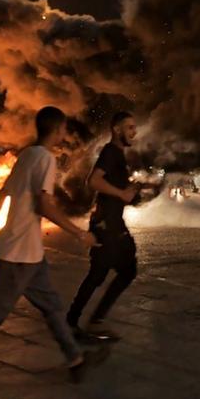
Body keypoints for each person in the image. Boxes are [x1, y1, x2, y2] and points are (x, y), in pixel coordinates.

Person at [0, 106, 102, 399]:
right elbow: (45, 205)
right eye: (65, 129)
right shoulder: (44, 158)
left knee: (52, 307)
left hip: (28, 253)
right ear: (57, 129)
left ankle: (75, 360)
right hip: (18, 256)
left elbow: (1, 194)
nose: (67, 134)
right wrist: (79, 233)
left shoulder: (27, 155)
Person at [67, 111, 142, 339]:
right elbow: (94, 181)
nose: (134, 132)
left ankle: (75, 319)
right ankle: (90, 321)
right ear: (116, 130)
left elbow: (112, 187)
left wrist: (133, 191)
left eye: (134, 127)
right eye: (129, 127)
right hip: (108, 226)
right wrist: (121, 192)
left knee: (101, 273)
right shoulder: (111, 152)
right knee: (122, 271)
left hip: (109, 223)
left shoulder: (118, 155)